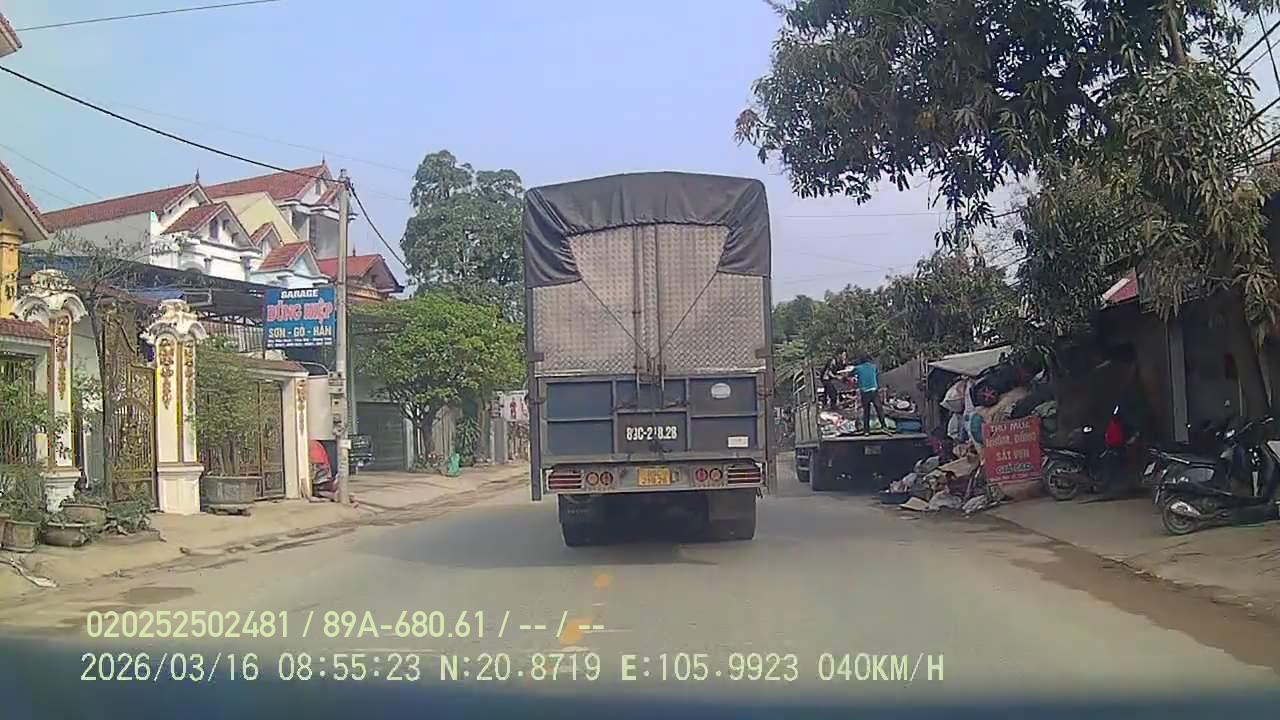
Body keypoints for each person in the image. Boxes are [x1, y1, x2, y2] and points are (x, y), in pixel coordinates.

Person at [852, 355, 887, 433]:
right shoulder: (873, 366)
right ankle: (884, 426)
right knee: (879, 409)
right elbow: (876, 373)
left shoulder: (858, 368)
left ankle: (866, 430)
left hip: (865, 392)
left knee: (866, 411)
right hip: (874, 390)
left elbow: (851, 374)